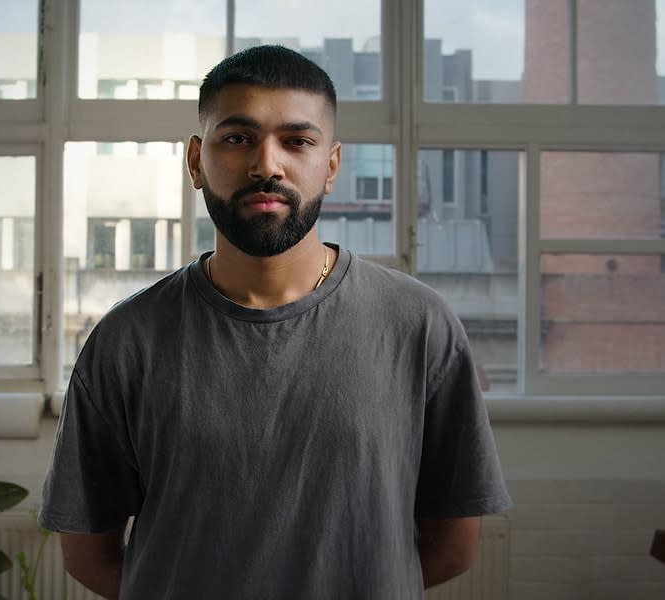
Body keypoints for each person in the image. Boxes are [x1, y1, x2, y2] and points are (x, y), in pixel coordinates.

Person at [39, 45, 511, 600]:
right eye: (238, 138)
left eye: (297, 141)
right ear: (195, 160)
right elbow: (88, 554)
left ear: (331, 165)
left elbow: (453, 547)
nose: (267, 165)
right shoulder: (126, 341)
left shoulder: (419, 326)